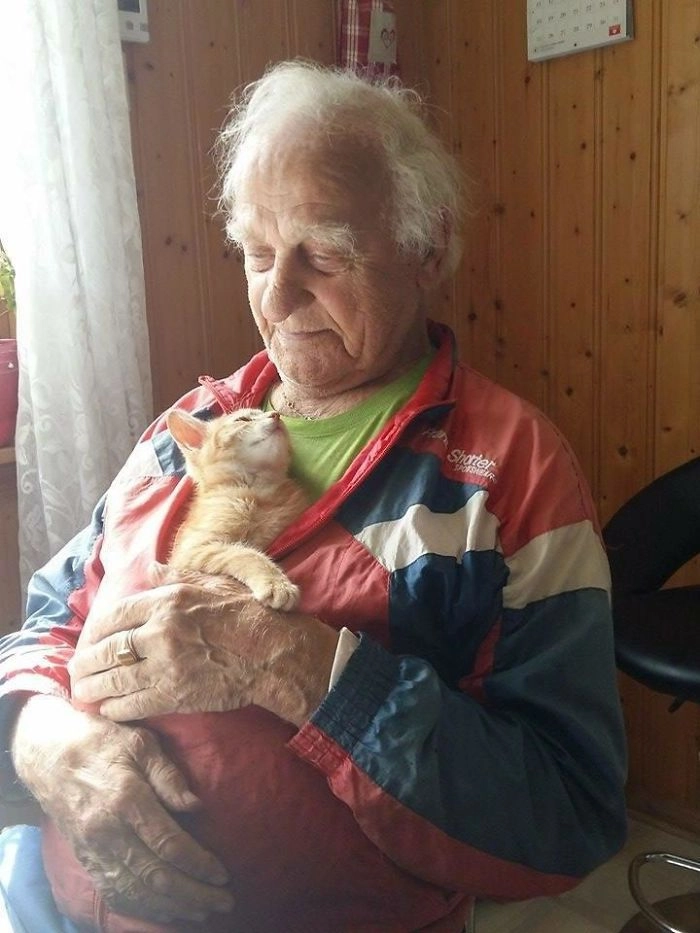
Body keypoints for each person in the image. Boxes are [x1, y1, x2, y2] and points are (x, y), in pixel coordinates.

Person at [0, 60, 627, 933]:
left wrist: (298, 666)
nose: (277, 293)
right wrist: (41, 735)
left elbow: (568, 808)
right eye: (256, 254)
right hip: (48, 903)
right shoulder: (190, 428)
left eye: (323, 254)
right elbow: (48, 615)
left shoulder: (508, 470)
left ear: (428, 248)